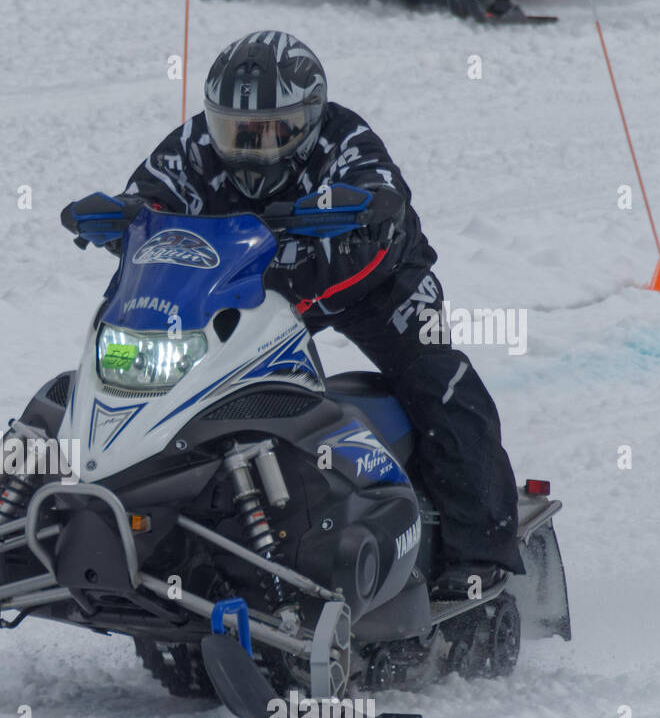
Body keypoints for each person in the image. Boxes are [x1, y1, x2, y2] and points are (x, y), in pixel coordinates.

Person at [61, 30, 522, 596]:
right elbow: (153, 201)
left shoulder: (347, 140)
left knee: (438, 380)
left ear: (307, 120)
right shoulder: (194, 145)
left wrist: (359, 210)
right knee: (168, 377)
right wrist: (121, 217)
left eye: (268, 132)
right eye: (232, 129)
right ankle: (140, 512)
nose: (246, 147)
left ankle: (482, 552)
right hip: (253, 281)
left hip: (367, 278)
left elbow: (377, 196)